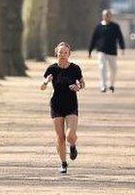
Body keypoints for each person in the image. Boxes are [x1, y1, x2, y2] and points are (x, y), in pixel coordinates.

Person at [40, 42, 84, 174]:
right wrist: (46, 82)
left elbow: (82, 83)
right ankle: (63, 163)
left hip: (71, 104)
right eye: (60, 53)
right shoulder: (51, 69)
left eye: (65, 52)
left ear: (69, 54)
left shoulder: (75, 68)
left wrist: (78, 87)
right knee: (60, 137)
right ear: (56, 53)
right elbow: (42, 87)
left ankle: (73, 146)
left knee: (70, 135)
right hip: (56, 104)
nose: (63, 55)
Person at [88, 9, 125, 92]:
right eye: (105, 15)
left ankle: (111, 84)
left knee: (113, 69)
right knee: (102, 68)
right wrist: (90, 50)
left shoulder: (115, 26)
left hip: (112, 51)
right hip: (101, 51)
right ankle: (103, 86)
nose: (107, 17)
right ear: (103, 16)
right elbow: (94, 39)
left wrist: (122, 48)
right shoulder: (98, 27)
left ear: (111, 16)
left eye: (108, 15)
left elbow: (120, 38)